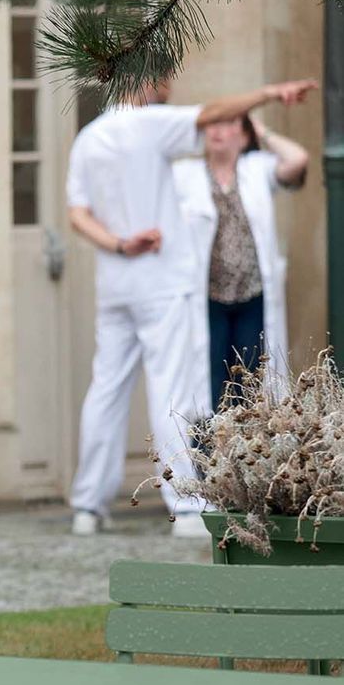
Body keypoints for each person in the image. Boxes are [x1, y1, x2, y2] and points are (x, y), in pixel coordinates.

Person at [65, 78, 317, 538]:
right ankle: (184, 505)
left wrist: (120, 244)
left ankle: (87, 505)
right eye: (165, 79)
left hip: (116, 281)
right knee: (172, 392)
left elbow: (77, 214)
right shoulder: (151, 123)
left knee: (105, 390)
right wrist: (268, 93)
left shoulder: (88, 137)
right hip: (162, 282)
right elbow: (216, 107)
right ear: (149, 81)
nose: (170, 88)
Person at [173, 111, 309, 415]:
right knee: (208, 386)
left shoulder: (257, 169)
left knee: (249, 382)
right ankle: (206, 459)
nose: (218, 130)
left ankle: (245, 458)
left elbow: (298, 159)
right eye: (213, 123)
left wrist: (263, 132)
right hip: (207, 299)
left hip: (252, 298)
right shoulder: (185, 174)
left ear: (244, 135)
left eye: (229, 123)